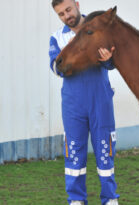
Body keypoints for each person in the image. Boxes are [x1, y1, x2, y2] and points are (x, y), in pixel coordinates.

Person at [49, 0, 119, 204]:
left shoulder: (98, 27)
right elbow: (55, 67)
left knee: (105, 150)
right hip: (73, 103)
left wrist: (106, 60)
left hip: (100, 100)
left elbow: (113, 61)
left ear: (77, 4)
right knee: (74, 153)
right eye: (61, 14)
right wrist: (77, 58)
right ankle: (76, 200)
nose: (66, 16)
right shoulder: (57, 37)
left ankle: (110, 199)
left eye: (68, 9)